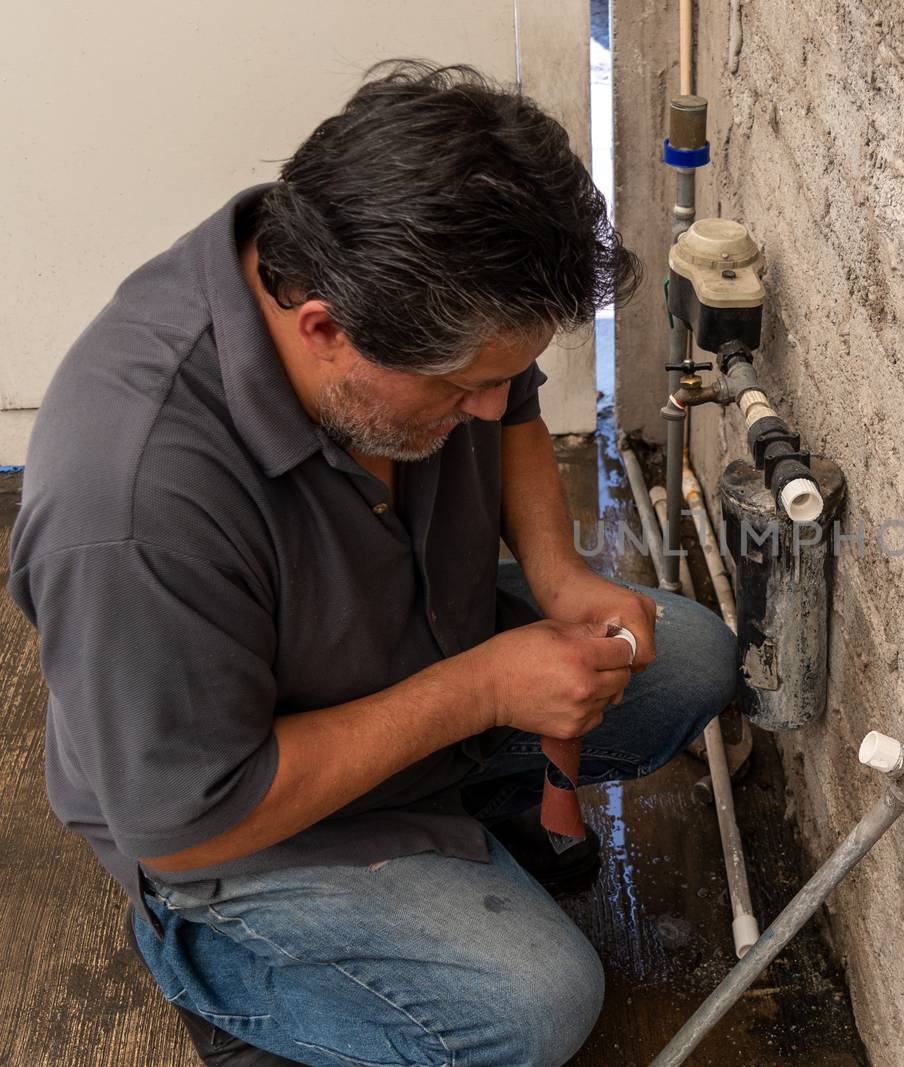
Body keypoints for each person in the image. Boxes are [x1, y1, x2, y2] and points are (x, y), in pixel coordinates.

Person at [7, 60, 736, 1066]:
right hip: (233, 821)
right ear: (325, 330)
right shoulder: (129, 506)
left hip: (400, 646)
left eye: (504, 371)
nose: (496, 405)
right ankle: (234, 968)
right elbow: (188, 821)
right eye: (461, 388)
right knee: (534, 1004)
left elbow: (513, 394)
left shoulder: (392, 278)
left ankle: (445, 829)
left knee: (689, 658)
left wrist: (558, 572)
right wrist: (483, 686)